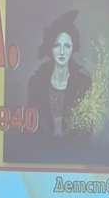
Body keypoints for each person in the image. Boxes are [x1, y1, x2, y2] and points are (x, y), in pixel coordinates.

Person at [25, 11, 95, 143]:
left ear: (73, 47)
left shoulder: (83, 83)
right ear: (50, 48)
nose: (62, 52)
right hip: (40, 150)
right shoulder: (35, 82)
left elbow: (87, 130)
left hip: (74, 150)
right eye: (57, 45)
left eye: (67, 46)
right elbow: (29, 128)